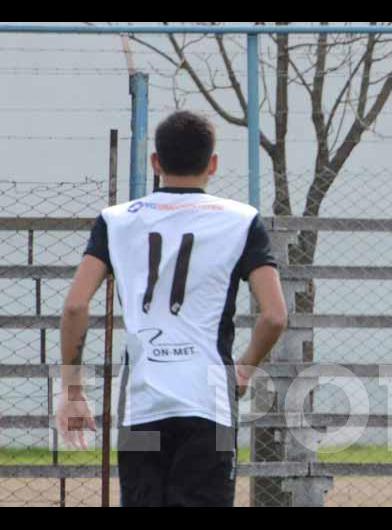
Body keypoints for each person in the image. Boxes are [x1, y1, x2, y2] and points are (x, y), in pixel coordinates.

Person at [56, 110, 288, 507]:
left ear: (155, 163)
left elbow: (76, 305)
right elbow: (274, 315)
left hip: (143, 404)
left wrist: (73, 389)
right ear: (212, 164)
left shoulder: (116, 221)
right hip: (208, 403)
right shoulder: (241, 220)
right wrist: (244, 369)